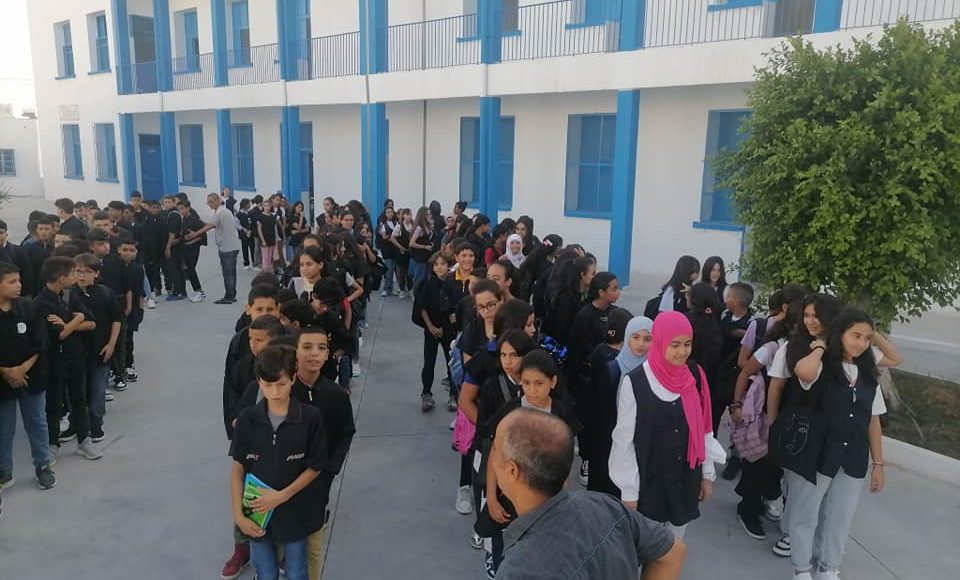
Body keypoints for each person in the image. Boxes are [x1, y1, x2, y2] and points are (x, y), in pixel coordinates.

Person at [490, 408, 686, 580]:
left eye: (495, 449)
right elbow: (673, 553)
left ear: (512, 471)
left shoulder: (519, 571)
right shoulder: (603, 505)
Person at [784, 308, 901, 580]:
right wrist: (820, 347)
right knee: (806, 514)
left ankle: (829, 567)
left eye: (866, 338)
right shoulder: (823, 365)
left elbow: (873, 420)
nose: (861, 343)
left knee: (840, 517)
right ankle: (801, 569)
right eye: (855, 335)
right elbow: (803, 371)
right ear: (840, 334)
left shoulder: (868, 374)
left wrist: (878, 464)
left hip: (853, 457)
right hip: (819, 454)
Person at [610, 311, 726, 539]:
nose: (682, 352)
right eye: (675, 345)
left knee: (674, 542)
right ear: (660, 342)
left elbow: (704, 428)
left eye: (687, 344)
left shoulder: (694, 375)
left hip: (685, 477)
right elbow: (624, 440)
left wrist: (707, 475)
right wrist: (629, 491)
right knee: (645, 544)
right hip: (649, 480)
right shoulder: (635, 382)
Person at [478, 348, 580, 578]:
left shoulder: (561, 413)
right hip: (507, 496)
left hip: (545, 501)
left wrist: (561, 500)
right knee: (503, 546)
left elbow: (566, 461)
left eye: (539, 383)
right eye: (526, 383)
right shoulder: (510, 411)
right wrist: (492, 498)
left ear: (553, 382)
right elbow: (495, 454)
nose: (532, 390)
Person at [229, 345, 328, 580]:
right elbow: (237, 468)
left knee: (296, 571)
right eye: (267, 384)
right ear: (259, 382)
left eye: (281, 384)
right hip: (257, 512)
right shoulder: (247, 419)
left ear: (293, 378)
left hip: (296, 513)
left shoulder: (310, 418)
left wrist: (281, 496)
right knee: (265, 572)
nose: (274, 391)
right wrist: (239, 516)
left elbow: (315, 466)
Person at [33, 256, 100, 460]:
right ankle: (53, 443)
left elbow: (91, 322)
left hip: (76, 356)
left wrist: (72, 323)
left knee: (79, 398)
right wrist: (77, 318)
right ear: (62, 278)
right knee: (54, 402)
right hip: (54, 360)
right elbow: (59, 334)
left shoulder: (70, 295)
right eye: (72, 273)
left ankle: (84, 440)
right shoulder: (40, 303)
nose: (76, 277)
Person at [0, 262, 56, 492]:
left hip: (31, 375)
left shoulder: (29, 307)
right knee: (4, 427)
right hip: (2, 381)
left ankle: (43, 465)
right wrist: (6, 371)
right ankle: (4, 470)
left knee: (36, 421)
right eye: (12, 281)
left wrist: (23, 368)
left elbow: (41, 341)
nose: (19, 285)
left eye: (19, 280)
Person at [581, 310, 647, 496]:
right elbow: (597, 411)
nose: (641, 344)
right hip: (608, 442)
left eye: (647, 339)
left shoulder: (653, 372)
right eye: (635, 337)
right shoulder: (612, 368)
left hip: (638, 445)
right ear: (626, 337)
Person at [74, 254, 122, 441]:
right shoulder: (68, 294)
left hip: (101, 349)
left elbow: (116, 319)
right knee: (78, 392)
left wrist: (111, 344)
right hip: (77, 353)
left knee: (98, 391)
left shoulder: (105, 293)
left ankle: (96, 425)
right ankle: (78, 425)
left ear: (96, 273)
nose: (82, 275)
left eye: (87, 271)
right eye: (78, 271)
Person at [413, 252, 456, 412]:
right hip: (431, 328)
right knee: (429, 361)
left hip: (449, 330)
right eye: (436, 264)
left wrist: (447, 327)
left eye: (442, 264)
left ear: (448, 265)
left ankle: (454, 394)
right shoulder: (426, 283)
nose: (439, 267)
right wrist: (430, 327)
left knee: (451, 362)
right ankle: (426, 393)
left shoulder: (453, 283)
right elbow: (421, 307)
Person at [189, 193, 242, 304]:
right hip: (229, 246)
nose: (210, 204)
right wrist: (200, 222)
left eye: (211, 202)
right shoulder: (222, 212)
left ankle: (229, 296)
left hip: (227, 247)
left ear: (218, 200)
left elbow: (211, 225)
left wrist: (195, 234)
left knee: (228, 273)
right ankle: (231, 294)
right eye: (208, 202)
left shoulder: (221, 212)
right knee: (230, 272)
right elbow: (212, 224)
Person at [177, 199, 207, 303]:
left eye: (182, 209)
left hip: (192, 250)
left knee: (191, 270)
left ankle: (199, 292)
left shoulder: (195, 220)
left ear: (188, 208)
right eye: (179, 209)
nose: (181, 211)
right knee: (188, 271)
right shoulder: (183, 220)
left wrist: (192, 240)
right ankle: (197, 291)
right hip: (184, 249)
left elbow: (203, 236)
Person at [0, 219, 35, 297]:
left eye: (0, 233)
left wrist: (26, 297)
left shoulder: (18, 252)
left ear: (6, 234)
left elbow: (27, 277)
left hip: (15, 296)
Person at [162, 195, 187, 301]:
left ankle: (178, 292)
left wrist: (168, 247)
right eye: (165, 202)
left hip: (174, 246)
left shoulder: (173, 215)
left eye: (169, 202)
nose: (166, 204)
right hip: (176, 244)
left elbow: (172, 232)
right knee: (178, 269)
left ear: (174, 203)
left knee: (174, 269)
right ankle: (182, 291)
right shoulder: (171, 214)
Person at [237, 199, 256, 270]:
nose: (250, 205)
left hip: (250, 232)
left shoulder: (249, 213)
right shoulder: (239, 214)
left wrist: (250, 229)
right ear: (244, 205)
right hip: (243, 233)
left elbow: (251, 222)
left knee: (252, 247)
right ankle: (246, 263)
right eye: (248, 204)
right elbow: (236, 223)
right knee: (244, 248)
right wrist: (243, 229)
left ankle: (254, 262)